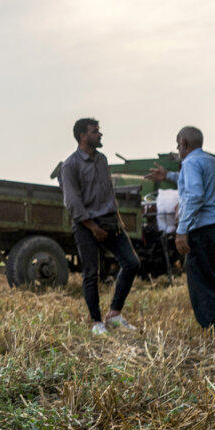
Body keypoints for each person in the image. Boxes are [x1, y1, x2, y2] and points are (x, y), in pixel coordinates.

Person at [58, 118, 140, 335]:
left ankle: (114, 314)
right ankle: (96, 323)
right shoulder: (70, 165)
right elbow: (72, 202)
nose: (100, 135)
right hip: (86, 226)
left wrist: (118, 219)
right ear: (83, 136)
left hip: (110, 221)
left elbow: (108, 193)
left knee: (132, 263)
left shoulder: (102, 160)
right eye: (95, 131)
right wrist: (93, 227)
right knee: (91, 274)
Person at [147, 126, 215, 331]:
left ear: (184, 143)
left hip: (203, 233)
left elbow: (194, 196)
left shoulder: (190, 163)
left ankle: (212, 331)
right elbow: (190, 180)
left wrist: (182, 230)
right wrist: (168, 175)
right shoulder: (212, 162)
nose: (178, 148)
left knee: (201, 284)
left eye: (178, 144)